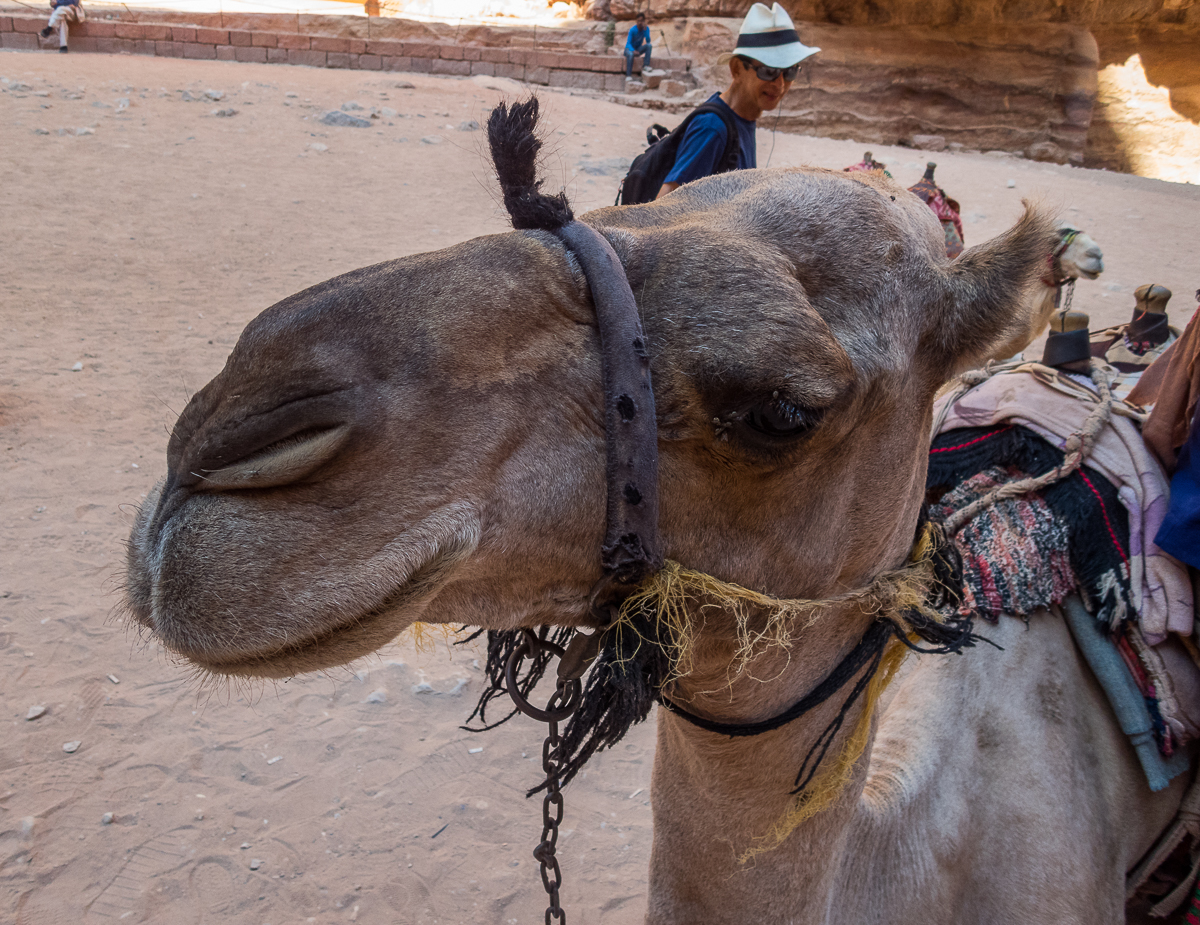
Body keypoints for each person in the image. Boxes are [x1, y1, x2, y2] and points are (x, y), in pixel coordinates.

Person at [656, 2, 818, 198]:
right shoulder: (712, 128)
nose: (780, 84)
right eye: (769, 71)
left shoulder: (743, 119)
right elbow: (664, 205)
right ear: (737, 69)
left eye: (790, 71)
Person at [624, 12, 651, 79]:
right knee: (630, 54)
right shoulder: (632, 30)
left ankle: (646, 66)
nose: (640, 23)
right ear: (636, 21)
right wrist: (633, 50)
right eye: (638, 21)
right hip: (629, 49)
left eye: (641, 21)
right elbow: (628, 43)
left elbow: (648, 41)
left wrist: (645, 31)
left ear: (644, 21)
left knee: (649, 46)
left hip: (638, 49)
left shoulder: (646, 29)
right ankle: (628, 75)